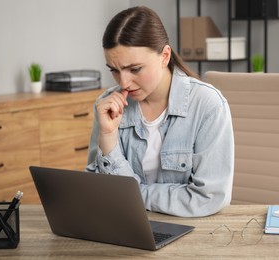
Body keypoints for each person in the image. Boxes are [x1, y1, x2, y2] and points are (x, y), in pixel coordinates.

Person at [86, 6, 234, 217]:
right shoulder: (107, 105)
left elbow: (209, 197)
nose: (124, 82)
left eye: (134, 69)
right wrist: (108, 136)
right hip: (127, 224)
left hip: (189, 229)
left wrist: (134, 195)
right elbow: (95, 191)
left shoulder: (208, 105)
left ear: (165, 56)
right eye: (114, 70)